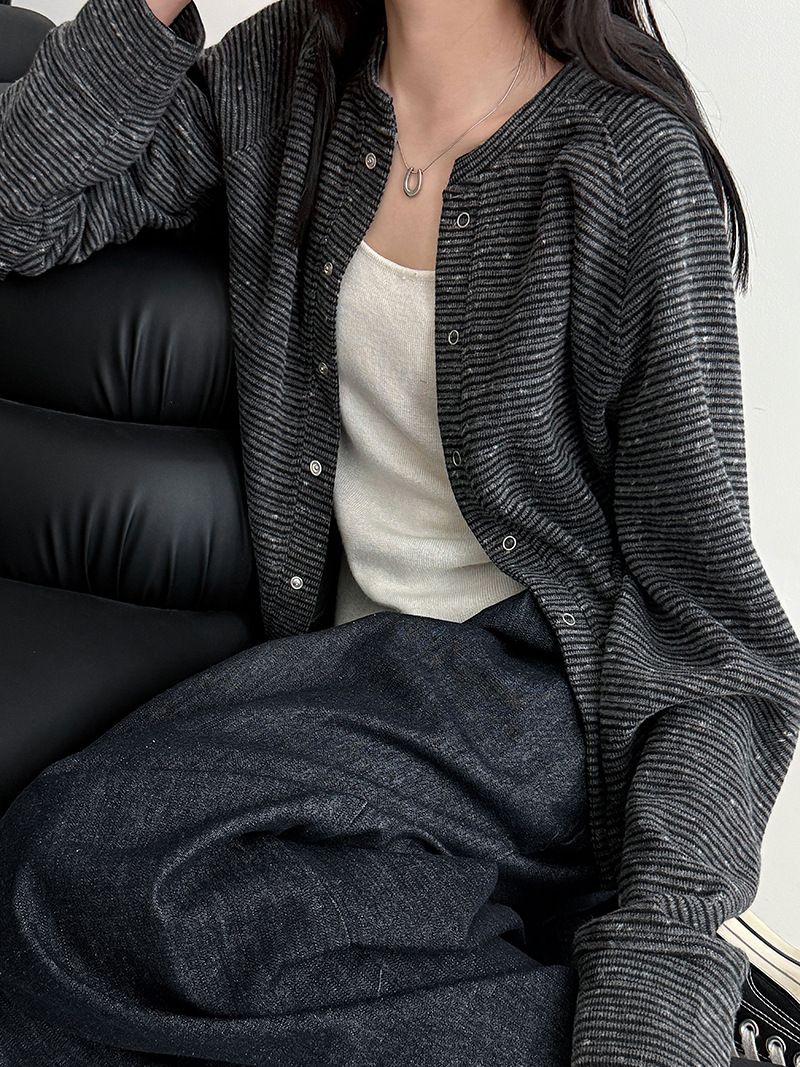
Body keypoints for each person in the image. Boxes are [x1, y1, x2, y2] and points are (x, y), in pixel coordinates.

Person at [0, 0, 799, 1064]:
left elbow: (712, 632)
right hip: (348, 689)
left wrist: (668, 952)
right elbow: (18, 208)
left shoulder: (626, 164)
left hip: (531, 703)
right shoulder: (285, 72)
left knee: (72, 866)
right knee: (76, 919)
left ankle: (669, 1017)